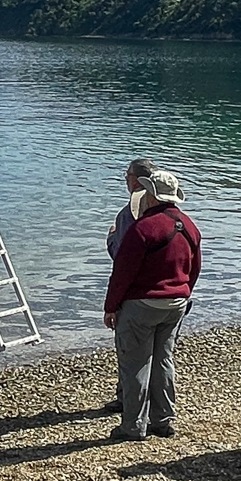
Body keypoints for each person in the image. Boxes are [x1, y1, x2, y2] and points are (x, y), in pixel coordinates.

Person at [104, 170, 202, 441]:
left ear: (150, 196)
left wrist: (110, 307)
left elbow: (123, 273)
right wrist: (182, 294)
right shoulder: (190, 226)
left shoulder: (143, 229)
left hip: (142, 304)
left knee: (135, 363)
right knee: (163, 360)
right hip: (176, 302)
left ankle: (133, 426)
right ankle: (163, 420)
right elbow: (194, 269)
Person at [99, 158, 156, 414]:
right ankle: (158, 408)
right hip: (170, 294)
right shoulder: (167, 213)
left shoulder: (128, 214)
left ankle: (128, 404)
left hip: (135, 295)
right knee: (160, 354)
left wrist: (111, 238)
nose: (125, 180)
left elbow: (122, 258)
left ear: (134, 180)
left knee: (130, 354)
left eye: (126, 176)